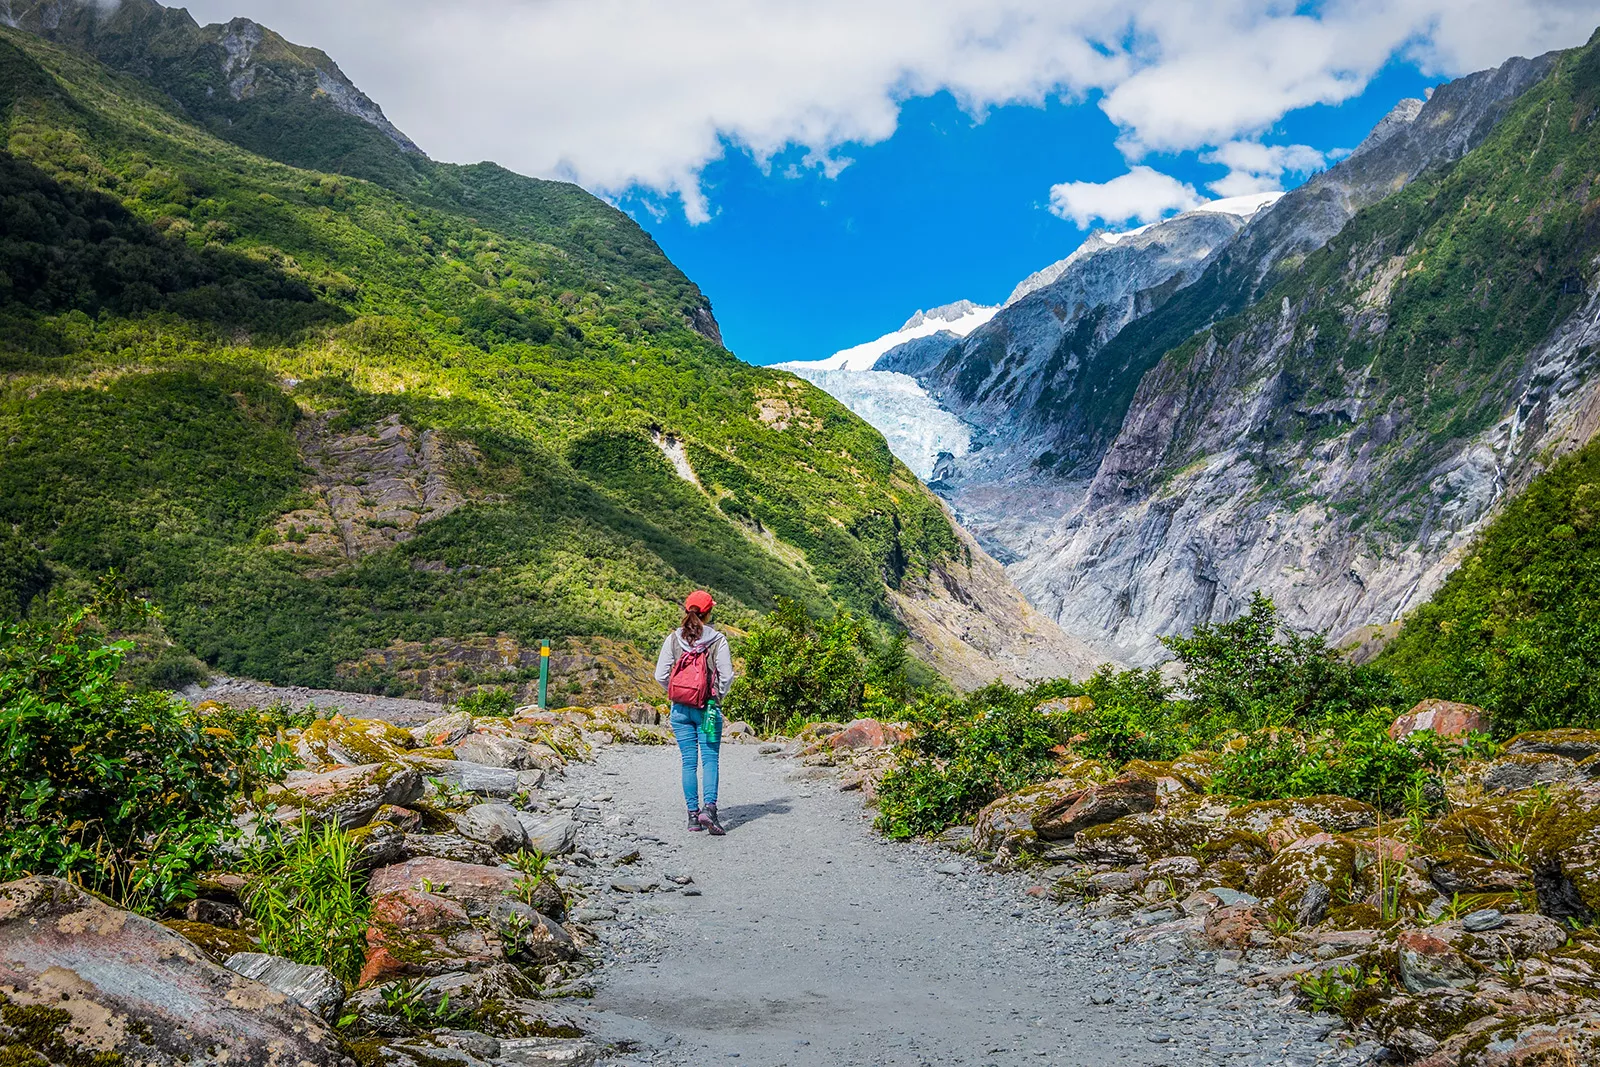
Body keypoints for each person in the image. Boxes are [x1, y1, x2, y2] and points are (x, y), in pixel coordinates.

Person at [654, 590, 735, 835]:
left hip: (680, 710)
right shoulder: (717, 640)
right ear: (709, 612)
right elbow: (727, 675)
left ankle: (692, 817)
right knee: (710, 759)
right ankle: (708, 810)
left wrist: (677, 692)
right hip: (708, 708)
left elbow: (660, 675)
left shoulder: (673, 639)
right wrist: (716, 696)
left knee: (688, 762)